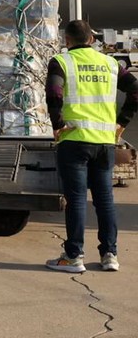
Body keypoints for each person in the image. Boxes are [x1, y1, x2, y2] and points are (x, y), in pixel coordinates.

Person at [44, 20, 138, 273]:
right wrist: (121, 122)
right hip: (105, 142)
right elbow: (136, 90)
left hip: (74, 139)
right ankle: (110, 254)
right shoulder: (111, 64)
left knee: (76, 200)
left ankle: (74, 256)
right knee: (104, 200)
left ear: (67, 40)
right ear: (92, 39)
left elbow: (54, 92)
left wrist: (57, 123)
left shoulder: (61, 61)